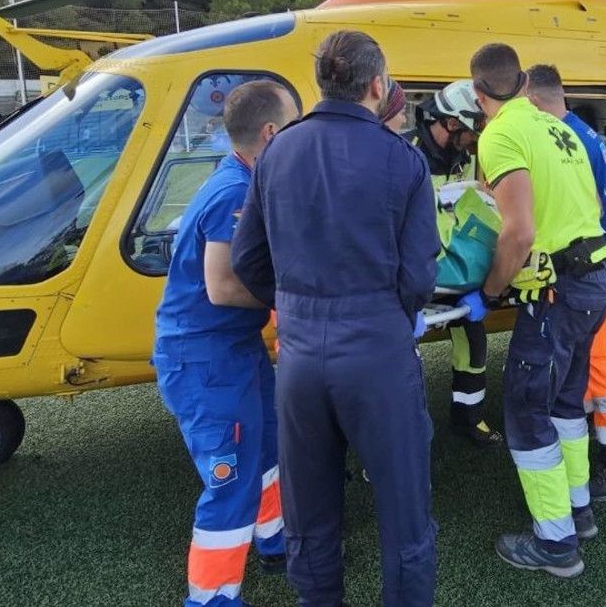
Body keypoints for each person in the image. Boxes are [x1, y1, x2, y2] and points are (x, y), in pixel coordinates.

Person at [231, 31, 440, 606]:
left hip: (299, 357)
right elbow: (419, 278)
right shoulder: (404, 160)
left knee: (310, 511)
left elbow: (248, 259)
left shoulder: (277, 151)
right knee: (404, 514)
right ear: (378, 86)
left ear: (323, 83)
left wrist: (297, 304)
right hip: (377, 352)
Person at [458, 44, 606, 578]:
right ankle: (579, 508)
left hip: (558, 290)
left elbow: (519, 231)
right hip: (597, 277)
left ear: (479, 94)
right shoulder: (561, 127)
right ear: (524, 82)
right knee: (568, 403)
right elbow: (590, 206)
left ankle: (556, 544)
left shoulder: (499, 134)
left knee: (527, 409)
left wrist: (491, 291)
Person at [152, 79, 299, 607]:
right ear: (270, 132)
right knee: (231, 479)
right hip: (205, 359)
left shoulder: (241, 176)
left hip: (234, 350)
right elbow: (223, 286)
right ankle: (211, 598)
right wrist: (295, 295)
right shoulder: (235, 192)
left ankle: (275, 541)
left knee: (267, 450)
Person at [524, 64, 606, 502]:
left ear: (535, 101)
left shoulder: (565, 138)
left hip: (603, 258)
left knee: (598, 356)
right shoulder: (581, 131)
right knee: (586, 356)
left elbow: (585, 205)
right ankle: (596, 438)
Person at [406, 80, 503, 447]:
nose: (479, 137)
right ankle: (400, 438)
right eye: (474, 129)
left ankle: (468, 417)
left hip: (451, 270)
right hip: (411, 273)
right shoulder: (407, 155)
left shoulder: (465, 157)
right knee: (400, 359)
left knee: (473, 339)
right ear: (450, 124)